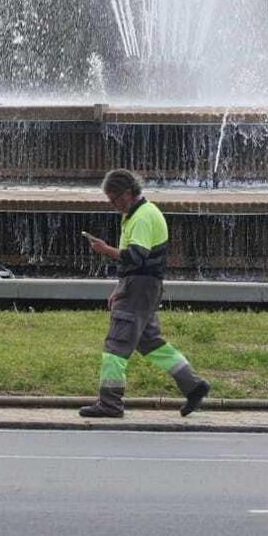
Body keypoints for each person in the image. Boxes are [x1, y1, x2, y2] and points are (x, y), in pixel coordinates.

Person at [80, 169, 211, 419]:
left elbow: (136, 256)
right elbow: (135, 262)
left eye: (114, 199)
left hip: (140, 287)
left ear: (127, 194)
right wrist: (119, 288)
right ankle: (194, 386)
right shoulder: (138, 214)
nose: (113, 205)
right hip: (143, 286)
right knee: (150, 341)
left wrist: (105, 249)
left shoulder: (141, 217)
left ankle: (110, 403)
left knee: (116, 344)